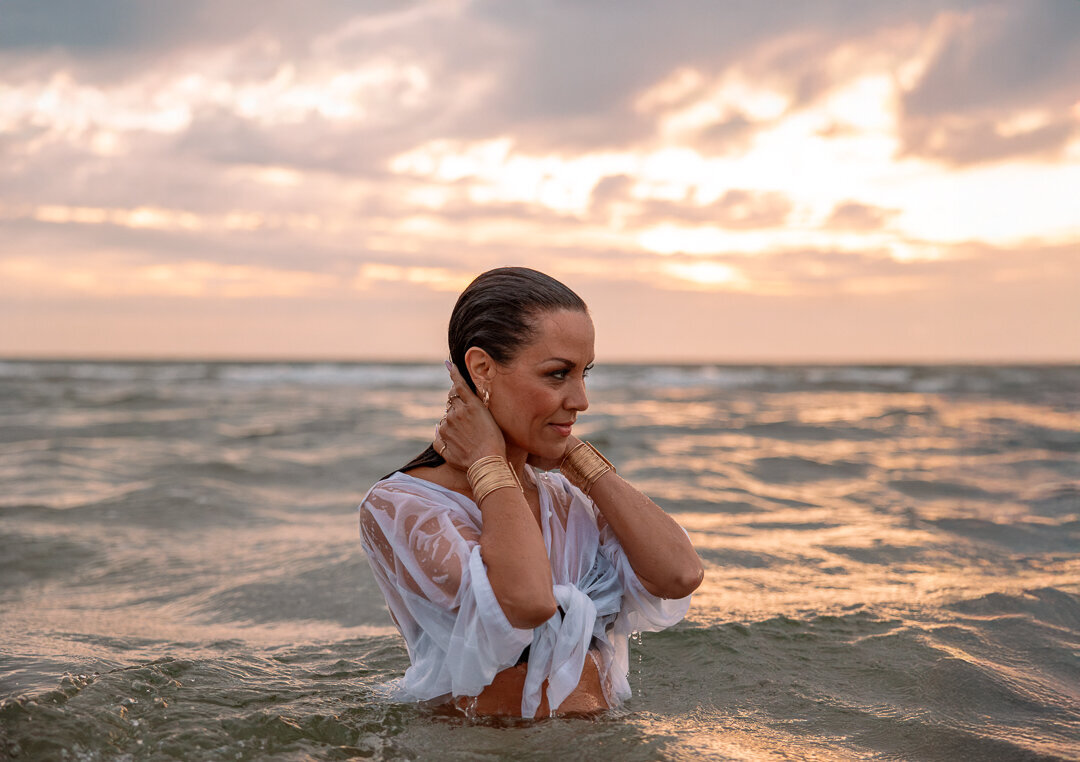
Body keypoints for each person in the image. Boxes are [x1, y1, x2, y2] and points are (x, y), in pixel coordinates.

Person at [358, 267, 703, 718]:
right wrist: (488, 463)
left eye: (585, 373)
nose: (581, 399)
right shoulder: (401, 506)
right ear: (482, 368)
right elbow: (527, 601)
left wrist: (578, 460)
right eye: (558, 374)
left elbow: (679, 575)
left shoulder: (569, 498)